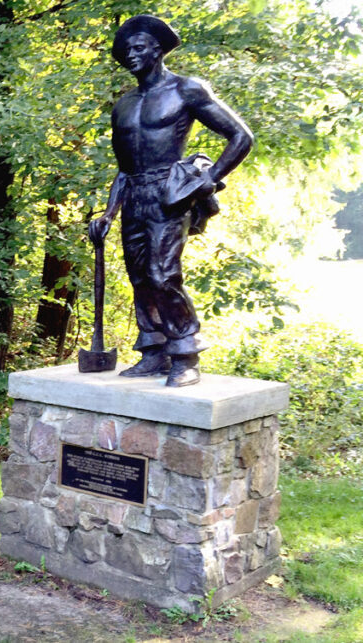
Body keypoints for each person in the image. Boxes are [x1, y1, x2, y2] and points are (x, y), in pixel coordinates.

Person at [88, 15, 253, 387]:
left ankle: (185, 352)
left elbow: (241, 137)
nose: (131, 54)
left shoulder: (186, 90)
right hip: (134, 195)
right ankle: (153, 351)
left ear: (158, 49)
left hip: (169, 193)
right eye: (126, 49)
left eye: (139, 47)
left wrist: (207, 181)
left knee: (164, 275)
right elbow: (124, 168)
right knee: (140, 277)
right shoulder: (123, 106)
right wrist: (109, 212)